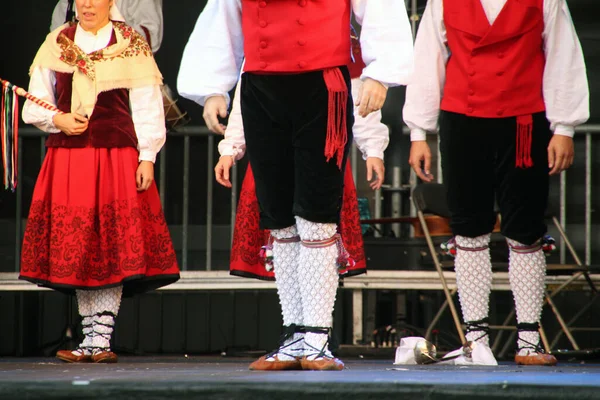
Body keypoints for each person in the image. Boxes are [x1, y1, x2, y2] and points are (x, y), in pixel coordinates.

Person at [178, 0, 413, 371]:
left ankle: (317, 336)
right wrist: (212, 90)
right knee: (280, 219)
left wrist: (381, 74)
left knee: (316, 215)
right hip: (260, 88)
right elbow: (222, 22)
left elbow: (381, 11)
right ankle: (294, 335)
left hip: (321, 86)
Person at [404, 0, 589, 366]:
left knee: (525, 229)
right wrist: (418, 132)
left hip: (523, 122)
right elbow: (428, 60)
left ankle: (529, 340)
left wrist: (564, 127)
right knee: (469, 227)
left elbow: (563, 57)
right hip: (462, 120)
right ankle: (475, 339)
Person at [20, 0, 179, 364]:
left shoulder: (130, 43)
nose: (88, 4)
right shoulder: (57, 41)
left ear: (112, 2)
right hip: (70, 158)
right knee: (80, 245)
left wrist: (147, 157)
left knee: (110, 245)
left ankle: (99, 337)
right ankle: (90, 336)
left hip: (115, 157)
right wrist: (57, 119)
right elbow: (34, 103)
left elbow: (147, 105)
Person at [225, 34, 386, 284]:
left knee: (318, 231)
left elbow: (355, 98)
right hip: (273, 149)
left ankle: (316, 320)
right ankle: (294, 318)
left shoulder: (338, 37)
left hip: (321, 152)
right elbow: (245, 99)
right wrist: (231, 147)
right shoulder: (264, 34)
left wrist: (373, 149)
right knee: (283, 231)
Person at [50, 0, 163, 52]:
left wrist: (108, 19)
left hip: (125, 83)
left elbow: (151, 41)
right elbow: (53, 48)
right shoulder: (67, 4)